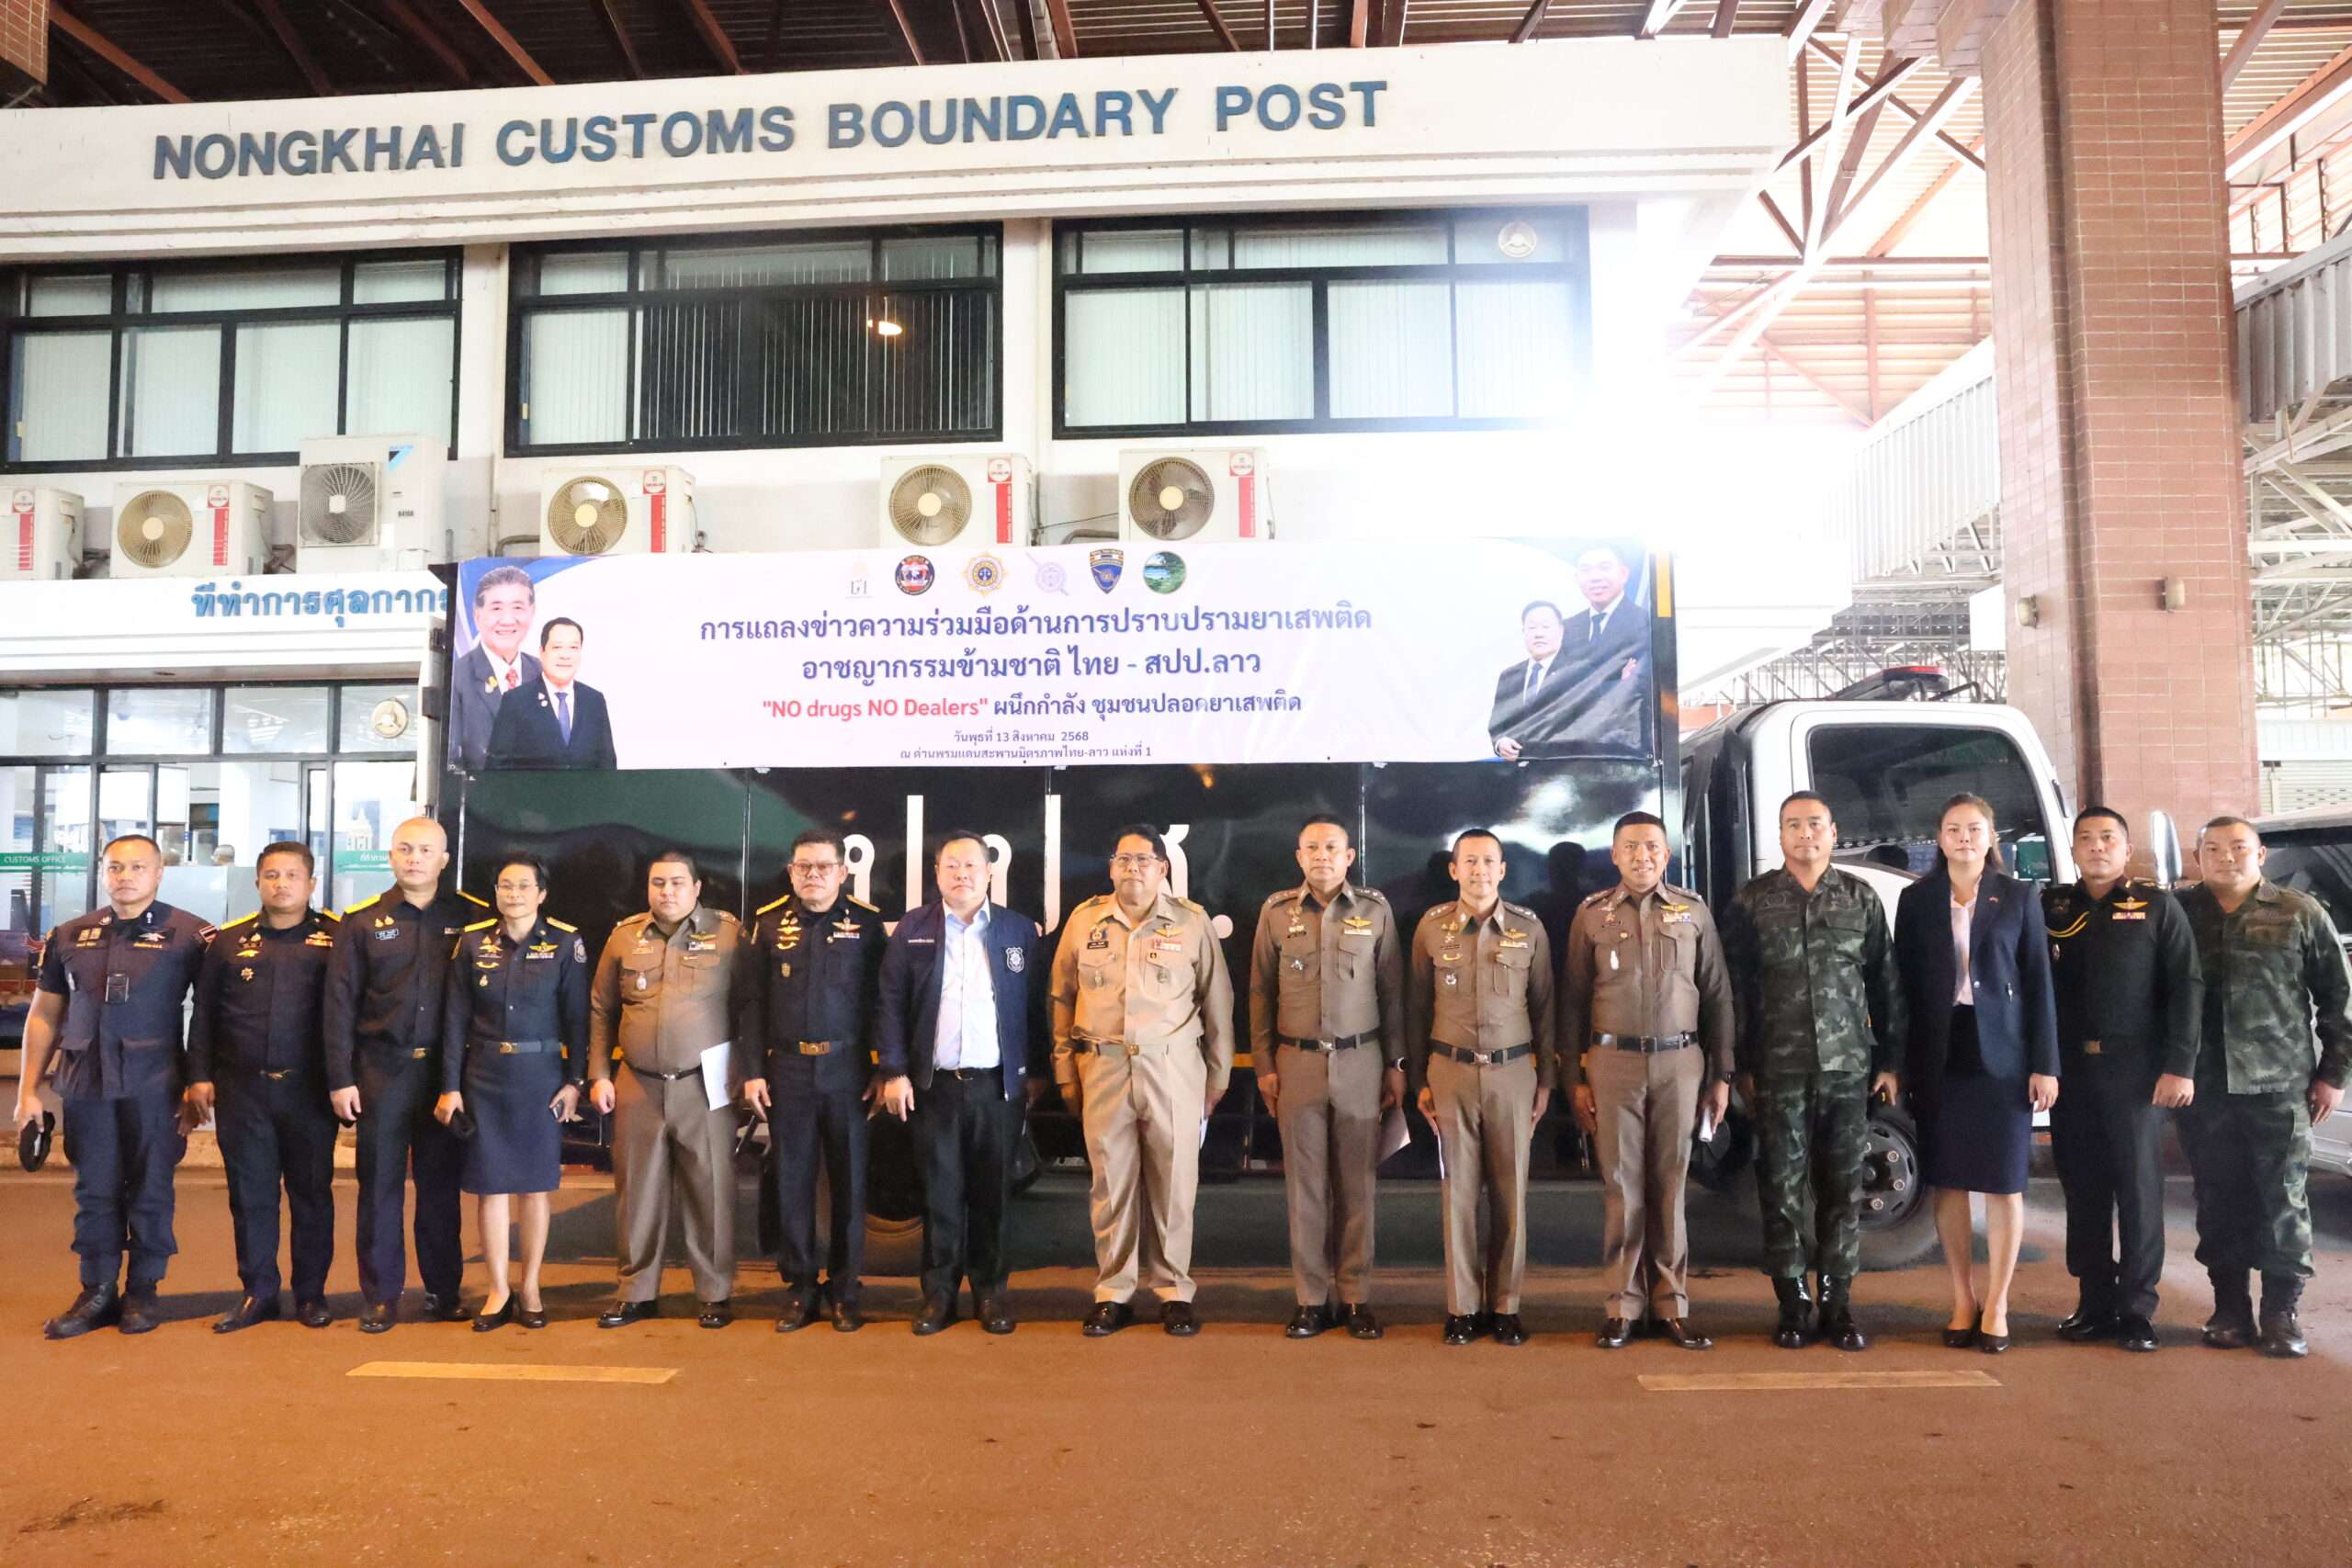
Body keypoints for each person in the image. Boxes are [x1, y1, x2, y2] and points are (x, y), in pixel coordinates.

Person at [1721, 792, 1903, 1352]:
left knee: (1842, 1188)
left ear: (1833, 832)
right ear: (1780, 836)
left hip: (1847, 1069)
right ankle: (1793, 1302)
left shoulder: (1860, 897)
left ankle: (1838, 1302)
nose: (1805, 834)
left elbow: (1886, 982)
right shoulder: (1752, 901)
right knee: (1780, 1188)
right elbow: (1734, 989)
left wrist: (1891, 1062)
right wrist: (1739, 1065)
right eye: (1794, 825)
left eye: (1815, 824)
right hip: (1776, 1069)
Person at [12, 835, 211, 1339]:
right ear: (103, 872)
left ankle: (143, 1289)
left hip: (155, 1083)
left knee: (150, 1188)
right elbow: (45, 1013)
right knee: (94, 1189)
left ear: (159, 872)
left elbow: (211, 1018)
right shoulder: (70, 935)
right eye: (115, 867)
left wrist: (199, 1081)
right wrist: (28, 1090)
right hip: (85, 1083)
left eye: (137, 867)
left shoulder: (191, 935)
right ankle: (96, 1291)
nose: (125, 876)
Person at [2175, 816, 2352, 1359]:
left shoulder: (2300, 911)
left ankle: (2281, 1312)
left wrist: (2333, 1076)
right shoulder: (2179, 912)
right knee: (2217, 1198)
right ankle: (2229, 1308)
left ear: (2260, 854)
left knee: (2283, 1200)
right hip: (2204, 1086)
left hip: (2280, 1085)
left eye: (2237, 847)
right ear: (2198, 857)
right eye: (2212, 848)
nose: (2226, 857)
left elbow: (2337, 999)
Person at [1049, 824, 1235, 1337]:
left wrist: (1218, 1076)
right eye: (1124, 860)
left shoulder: (1191, 922)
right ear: (1111, 867)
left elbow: (1218, 1002)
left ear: (1162, 869)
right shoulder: (1085, 921)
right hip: (1103, 1066)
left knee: (1175, 1185)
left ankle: (1174, 1292)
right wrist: (1064, 1069)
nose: (1133, 869)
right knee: (1111, 1185)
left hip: (1173, 1069)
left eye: (1144, 860)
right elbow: (1060, 998)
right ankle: (1114, 1292)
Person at [1891, 794, 2060, 1355]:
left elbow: (2038, 983)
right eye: (1953, 829)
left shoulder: (2018, 896)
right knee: (1950, 1182)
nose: (1964, 838)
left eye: (1974, 828)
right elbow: (1902, 987)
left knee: (2004, 1183)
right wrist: (1896, 1061)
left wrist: (2045, 1065)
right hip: (1940, 1053)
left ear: (1992, 838)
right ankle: (1962, 1299)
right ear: (1938, 838)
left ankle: (1999, 1303)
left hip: (2004, 1056)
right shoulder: (1917, 900)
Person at [1560, 811, 1734, 1350]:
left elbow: (1718, 994)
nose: (1642, 857)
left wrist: (1721, 1074)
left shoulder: (1693, 911)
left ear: (1667, 854)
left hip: (1680, 1063)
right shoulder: (1591, 915)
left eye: (1653, 847)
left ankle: (1671, 1305)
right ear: (1614, 855)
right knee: (1621, 1185)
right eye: (1631, 847)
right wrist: (1573, 1076)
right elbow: (1572, 1000)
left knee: (1671, 1184)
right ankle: (1623, 1305)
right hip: (1612, 1063)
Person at [874, 830, 1047, 1335]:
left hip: (997, 1088)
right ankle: (939, 1295)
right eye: (951, 866)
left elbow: (1035, 1006)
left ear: (990, 871)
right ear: (937, 873)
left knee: (994, 1196)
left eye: (971, 865)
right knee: (940, 1194)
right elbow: (890, 1002)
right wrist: (894, 1071)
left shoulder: (1018, 930)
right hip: (935, 1089)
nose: (962, 874)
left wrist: (1036, 1072)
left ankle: (991, 1293)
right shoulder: (913, 928)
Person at [2042, 807, 2201, 1353]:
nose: (2096, 847)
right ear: (2073, 849)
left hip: (2135, 1072)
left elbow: (2186, 986)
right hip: (2070, 1071)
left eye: (2107, 838)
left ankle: (2137, 1309)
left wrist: (2179, 1065)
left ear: (2127, 849)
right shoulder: (2052, 907)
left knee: (2137, 1190)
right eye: (2086, 839)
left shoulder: (2156, 906)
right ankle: (2094, 1302)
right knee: (2082, 1189)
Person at [1248, 813, 1405, 1340]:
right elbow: (1260, 994)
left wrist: (1396, 1065)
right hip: (1297, 1063)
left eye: (1332, 848)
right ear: (1299, 857)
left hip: (1361, 1060)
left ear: (1349, 857)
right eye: (1312, 848)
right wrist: (1265, 1066)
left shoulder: (1375, 910)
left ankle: (1356, 1298)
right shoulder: (1276, 913)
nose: (1322, 857)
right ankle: (1311, 1299)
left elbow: (1393, 994)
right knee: (1305, 1188)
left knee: (1357, 1185)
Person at [326, 815, 485, 1333]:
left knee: (440, 1188)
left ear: (444, 859)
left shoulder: (473, 919)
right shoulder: (361, 922)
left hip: (446, 1075)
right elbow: (339, 1005)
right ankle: (380, 1296)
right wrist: (340, 1078)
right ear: (391, 856)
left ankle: (444, 1290)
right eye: (405, 849)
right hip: (381, 1071)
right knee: (379, 1188)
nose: (415, 859)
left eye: (425, 850)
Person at [1406, 828, 1555, 1347]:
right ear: (1453, 870)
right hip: (1450, 1072)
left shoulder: (1528, 929)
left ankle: (1506, 1307)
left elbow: (1546, 1008)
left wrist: (1546, 1080)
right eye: (1469, 861)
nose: (1479, 870)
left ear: (1503, 869)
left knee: (1511, 1195)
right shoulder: (1431, 929)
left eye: (1489, 861)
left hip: (1513, 1073)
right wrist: (1419, 1078)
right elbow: (1416, 1006)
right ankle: (1463, 1308)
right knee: (1459, 1196)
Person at [185, 841, 341, 1333]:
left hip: (309, 1090)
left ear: (311, 883)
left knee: (311, 1194)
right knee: (250, 1196)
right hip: (243, 1090)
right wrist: (198, 1075)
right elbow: (204, 1014)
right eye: (271, 875)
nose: (281, 884)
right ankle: (258, 1292)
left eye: (292, 875)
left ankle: (311, 1294)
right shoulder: (228, 942)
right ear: (257, 883)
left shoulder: (337, 939)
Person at [588, 850, 747, 1329]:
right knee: (637, 1194)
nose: (667, 891)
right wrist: (599, 1073)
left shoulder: (728, 934)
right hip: (638, 1082)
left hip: (705, 1083)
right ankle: (636, 1292)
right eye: (658, 883)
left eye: (678, 882)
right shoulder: (624, 937)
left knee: (711, 1191)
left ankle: (715, 1294)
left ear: (696, 888)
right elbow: (601, 1008)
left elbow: (751, 1004)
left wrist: (747, 1068)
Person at [435, 854, 588, 1331]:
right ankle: (498, 1290)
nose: (514, 894)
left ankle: (532, 1286)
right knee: (491, 1186)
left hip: (540, 1077)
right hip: (484, 1076)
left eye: (524, 886)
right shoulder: (472, 941)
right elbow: (454, 1019)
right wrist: (450, 1087)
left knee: (535, 1187)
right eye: (506, 885)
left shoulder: (565, 942)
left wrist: (576, 1081)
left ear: (542, 894)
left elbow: (578, 1018)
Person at [740, 829, 885, 1333]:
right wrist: (753, 1072)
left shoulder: (866, 924)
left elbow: (882, 1002)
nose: (813, 875)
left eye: (824, 867)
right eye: (804, 867)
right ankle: (800, 1288)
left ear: (843, 872)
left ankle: (845, 1291)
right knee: (792, 1182)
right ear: (791, 871)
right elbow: (752, 1003)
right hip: (789, 1072)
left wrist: (883, 1068)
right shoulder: (767, 924)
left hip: (848, 1072)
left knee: (850, 1185)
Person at [484, 617, 617, 771]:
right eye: (557, 647)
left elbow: (608, 766)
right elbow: (497, 770)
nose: (565, 655)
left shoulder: (594, 701)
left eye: (573, 647)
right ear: (542, 652)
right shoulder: (516, 701)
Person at [450, 563, 539, 773]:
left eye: (517, 608)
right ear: (477, 615)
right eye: (497, 608)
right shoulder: (457, 677)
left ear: (532, 612)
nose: (507, 620)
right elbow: (450, 760)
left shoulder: (543, 672)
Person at [1488, 600, 1572, 762]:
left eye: (1546, 627)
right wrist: (1501, 743)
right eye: (1532, 627)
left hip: (1562, 769)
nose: (1538, 634)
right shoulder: (1509, 676)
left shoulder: (1579, 672)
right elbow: (1497, 725)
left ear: (1561, 630)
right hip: (1514, 769)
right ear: (1524, 632)